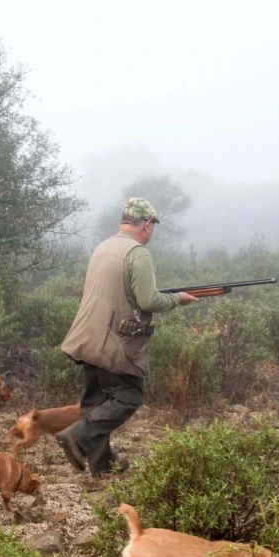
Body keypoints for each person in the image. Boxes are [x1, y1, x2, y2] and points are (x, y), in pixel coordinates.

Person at [56, 197, 197, 476]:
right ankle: (76, 436)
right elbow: (148, 301)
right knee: (128, 397)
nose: (152, 232)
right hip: (114, 340)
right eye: (152, 226)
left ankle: (102, 465)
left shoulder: (103, 247)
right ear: (146, 225)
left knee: (95, 400)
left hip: (87, 335)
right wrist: (177, 299)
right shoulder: (138, 253)